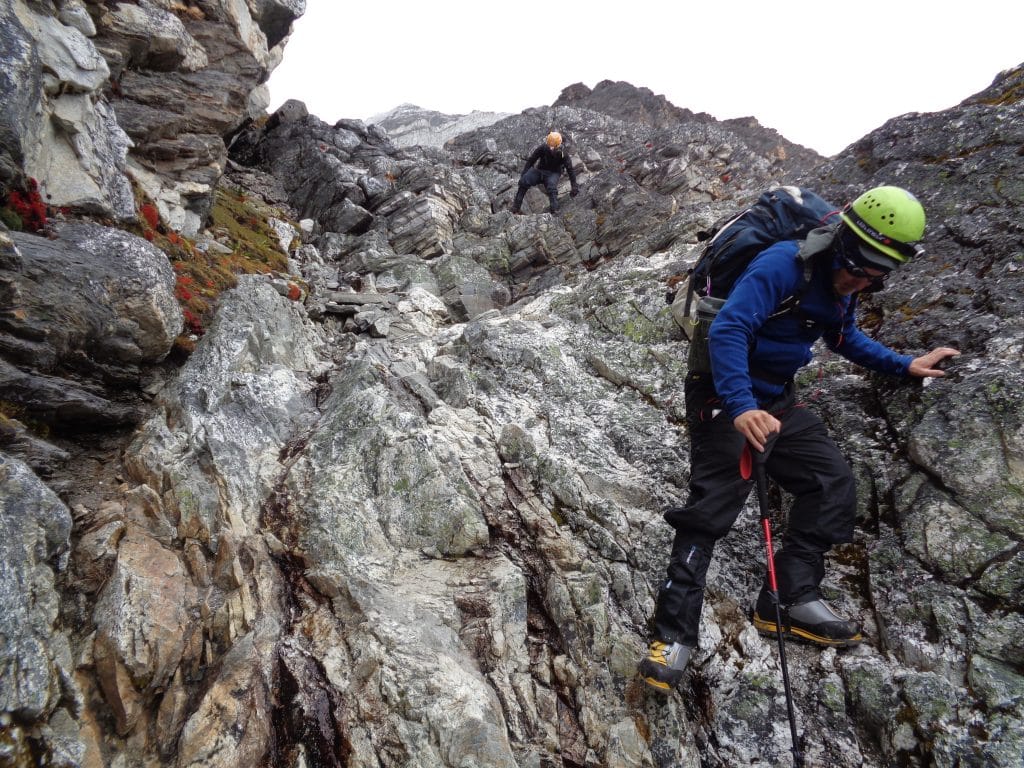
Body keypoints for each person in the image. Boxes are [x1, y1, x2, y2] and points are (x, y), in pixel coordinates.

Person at [639, 186, 961, 692]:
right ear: (842, 239)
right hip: (722, 392)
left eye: (875, 273)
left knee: (830, 482)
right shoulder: (782, 265)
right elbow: (728, 330)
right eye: (857, 265)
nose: (858, 279)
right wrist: (742, 408)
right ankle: (672, 636)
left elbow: (841, 335)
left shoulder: (847, 283)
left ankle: (786, 598)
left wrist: (904, 365)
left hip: (777, 398)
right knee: (711, 509)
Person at [511, 131, 579, 214]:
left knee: (551, 187)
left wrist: (574, 186)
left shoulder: (563, 154)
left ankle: (555, 210)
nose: (551, 148)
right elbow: (531, 161)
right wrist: (523, 175)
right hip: (540, 171)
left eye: (553, 146)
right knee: (524, 181)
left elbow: (570, 170)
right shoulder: (543, 148)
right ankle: (515, 208)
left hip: (554, 173)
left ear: (558, 145)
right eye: (549, 145)